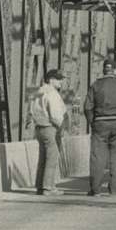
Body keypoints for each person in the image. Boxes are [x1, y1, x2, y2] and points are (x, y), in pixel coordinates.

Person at [84, 53, 116, 196]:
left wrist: (92, 122)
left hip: (100, 123)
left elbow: (88, 107)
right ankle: (114, 189)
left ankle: (95, 190)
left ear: (103, 70)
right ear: (115, 70)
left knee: (97, 157)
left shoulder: (95, 85)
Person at [29, 68, 67, 196]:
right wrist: (61, 126)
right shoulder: (53, 94)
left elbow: (32, 111)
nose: (61, 81)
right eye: (58, 79)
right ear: (51, 80)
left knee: (43, 158)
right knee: (52, 158)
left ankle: (40, 186)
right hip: (50, 128)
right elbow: (56, 115)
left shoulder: (38, 93)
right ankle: (48, 188)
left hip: (39, 128)